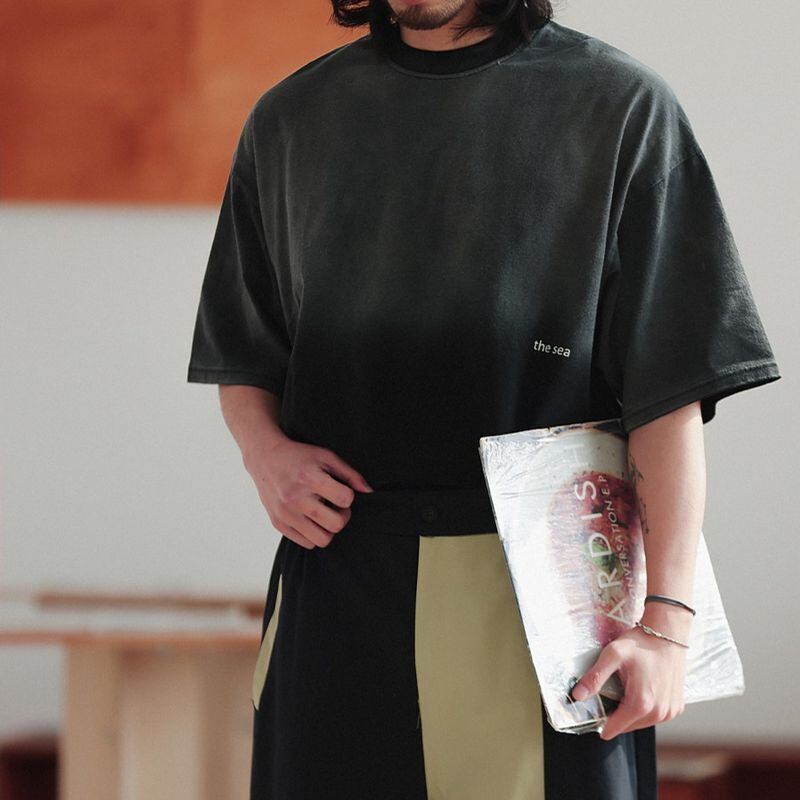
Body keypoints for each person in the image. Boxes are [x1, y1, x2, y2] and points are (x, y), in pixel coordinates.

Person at [185, 2, 782, 798]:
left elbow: (670, 392)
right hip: (342, 588)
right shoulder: (291, 119)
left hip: (553, 606)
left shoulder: (619, 108)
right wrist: (265, 453)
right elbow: (244, 350)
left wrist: (668, 624)